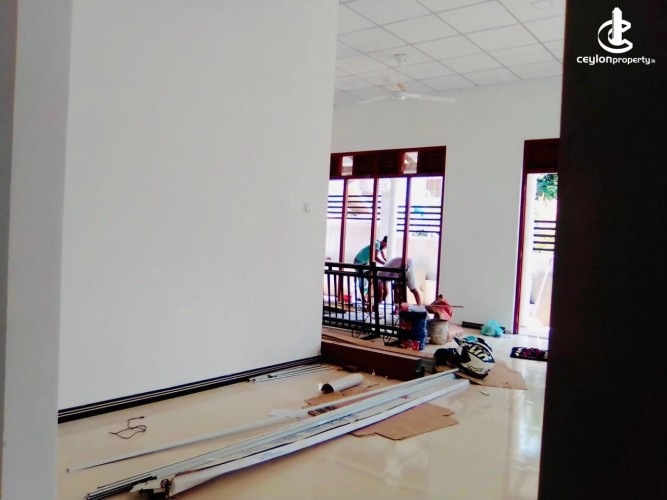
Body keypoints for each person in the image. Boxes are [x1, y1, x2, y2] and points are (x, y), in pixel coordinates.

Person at [353, 236, 387, 308]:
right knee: (366, 280)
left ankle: (366, 299)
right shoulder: (377, 244)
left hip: (363, 263)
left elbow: (383, 256)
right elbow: (375, 257)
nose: (386, 247)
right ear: (384, 242)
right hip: (359, 263)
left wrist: (385, 261)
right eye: (386, 246)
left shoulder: (379, 246)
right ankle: (365, 299)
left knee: (367, 280)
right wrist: (384, 263)